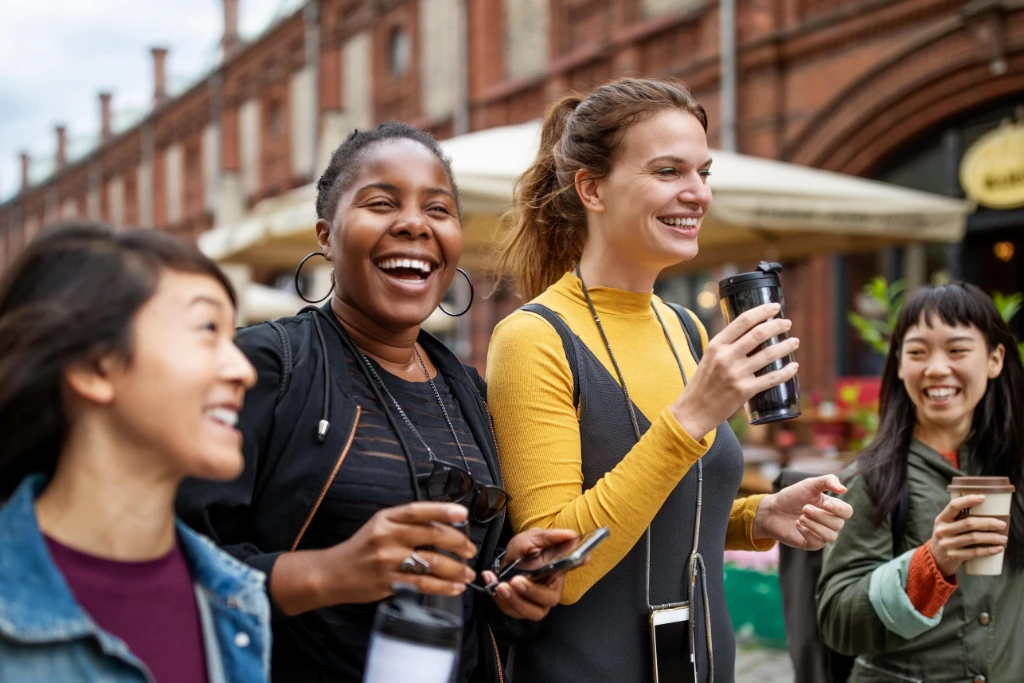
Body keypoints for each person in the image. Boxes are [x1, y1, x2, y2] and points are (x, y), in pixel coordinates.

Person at [177, 121, 577, 683]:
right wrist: (331, 573)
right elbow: (171, 565)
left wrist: (512, 589)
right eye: (381, 202)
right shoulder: (264, 366)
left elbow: (464, 597)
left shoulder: (466, 390)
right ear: (325, 234)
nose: (414, 223)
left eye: (438, 210)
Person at [486, 76, 854, 683]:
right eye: (668, 172)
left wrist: (759, 518)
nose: (697, 194)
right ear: (591, 188)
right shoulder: (534, 337)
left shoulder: (684, 327)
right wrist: (691, 417)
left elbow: (673, 501)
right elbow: (559, 567)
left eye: (703, 173)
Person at [0, 223, 270, 682]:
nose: (243, 369)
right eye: (207, 328)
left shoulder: (237, 598)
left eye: (233, 334)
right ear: (96, 366)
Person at [817, 282, 1024, 682]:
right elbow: (837, 622)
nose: (936, 368)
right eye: (917, 352)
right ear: (898, 364)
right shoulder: (870, 479)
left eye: (957, 349)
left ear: (995, 359)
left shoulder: (1015, 468)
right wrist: (933, 563)